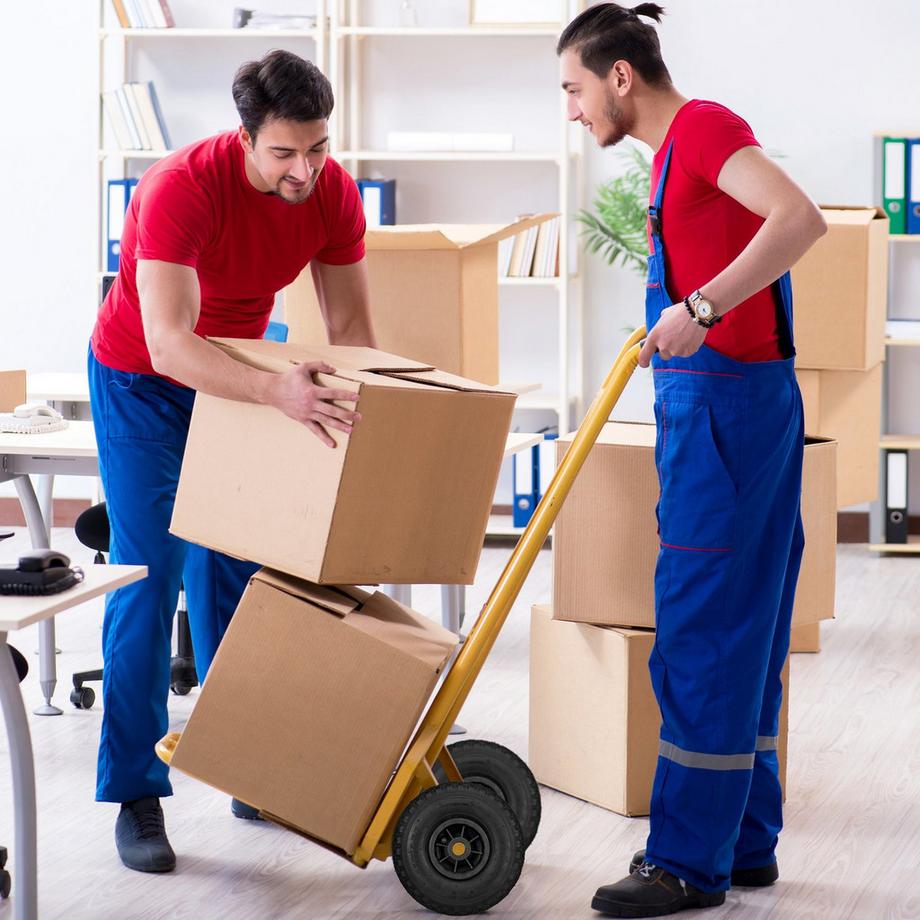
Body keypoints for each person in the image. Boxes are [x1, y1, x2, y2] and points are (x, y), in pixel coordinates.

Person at [558, 5, 827, 916]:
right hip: (721, 409)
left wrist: (702, 308)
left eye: (574, 88)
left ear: (621, 76)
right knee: (741, 624)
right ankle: (743, 841)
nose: (572, 109)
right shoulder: (673, 155)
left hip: (727, 416)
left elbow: (799, 219)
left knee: (703, 630)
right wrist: (675, 323)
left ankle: (683, 862)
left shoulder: (705, 128)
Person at [88, 49, 375, 874]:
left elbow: (353, 330)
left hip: (248, 368)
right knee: (153, 572)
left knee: (243, 573)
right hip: (145, 378)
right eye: (284, 152)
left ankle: (248, 763)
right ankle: (137, 790)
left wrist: (370, 422)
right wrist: (277, 396)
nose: (305, 169)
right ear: (245, 137)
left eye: (317, 148)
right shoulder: (180, 185)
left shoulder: (332, 190)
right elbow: (171, 344)